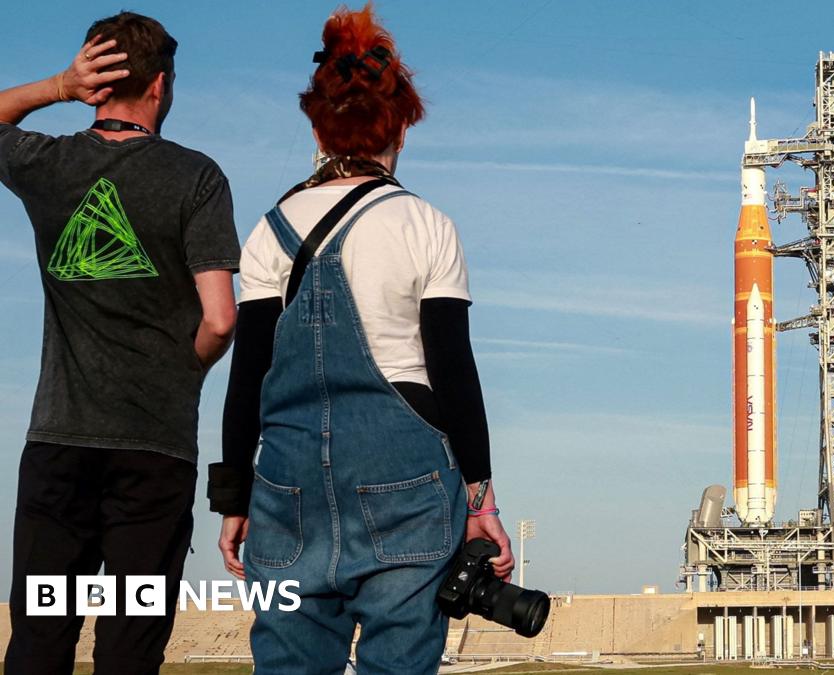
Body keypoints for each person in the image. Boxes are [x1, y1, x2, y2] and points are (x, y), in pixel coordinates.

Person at [206, 5, 513, 673]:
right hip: (406, 480)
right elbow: (453, 372)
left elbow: (247, 376)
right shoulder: (426, 225)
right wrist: (480, 500)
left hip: (286, 484)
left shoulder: (269, 231)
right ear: (400, 125)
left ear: (317, 127)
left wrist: (234, 499)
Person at [0, 12, 240, 675]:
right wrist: (180, 371)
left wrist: (56, 87)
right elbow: (221, 318)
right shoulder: (197, 177)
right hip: (154, 451)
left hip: (60, 442)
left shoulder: (47, 162)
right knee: (131, 646)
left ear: (96, 82)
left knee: (39, 639)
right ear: (160, 85)